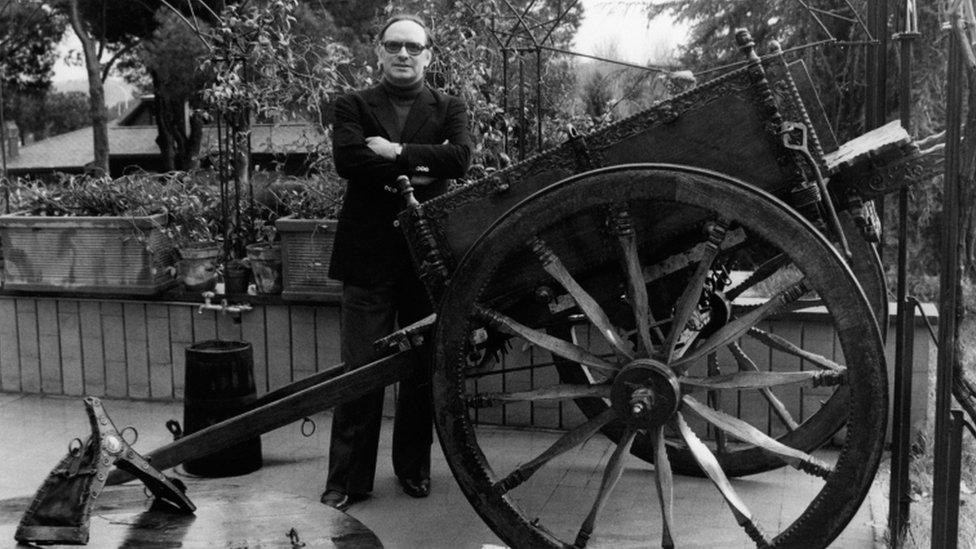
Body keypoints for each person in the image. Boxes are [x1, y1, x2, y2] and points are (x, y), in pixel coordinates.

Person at [321, 13, 472, 511]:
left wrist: (397, 150)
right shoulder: (352, 104)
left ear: (428, 54)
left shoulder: (451, 106)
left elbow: (460, 160)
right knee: (360, 370)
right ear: (379, 52)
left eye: (413, 46)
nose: (403, 54)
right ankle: (346, 481)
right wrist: (418, 168)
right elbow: (348, 160)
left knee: (421, 371)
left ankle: (414, 470)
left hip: (424, 260)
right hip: (366, 257)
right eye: (394, 46)